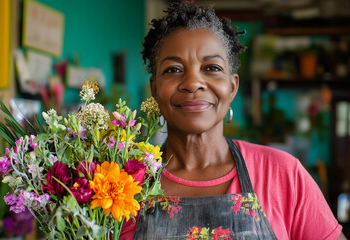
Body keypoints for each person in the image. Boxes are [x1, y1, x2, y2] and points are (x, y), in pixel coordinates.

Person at [121, 1, 346, 239]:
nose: (193, 83)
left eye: (212, 67)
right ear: (155, 89)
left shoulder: (284, 175)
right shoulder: (120, 185)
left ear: (232, 87)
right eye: (174, 70)